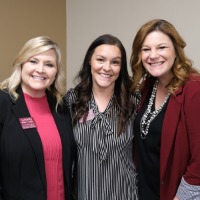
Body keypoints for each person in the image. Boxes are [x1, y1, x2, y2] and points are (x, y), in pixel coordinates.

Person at [130, 19, 200, 200]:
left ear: (176, 50)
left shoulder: (194, 89)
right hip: (145, 191)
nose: (153, 55)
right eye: (146, 49)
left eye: (161, 47)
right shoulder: (148, 86)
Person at [0, 36, 77, 200]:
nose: (41, 69)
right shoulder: (3, 103)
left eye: (49, 64)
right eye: (33, 61)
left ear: (56, 72)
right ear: (21, 64)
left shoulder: (61, 107)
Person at [65, 34, 138, 199]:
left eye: (115, 62)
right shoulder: (71, 101)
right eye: (101, 59)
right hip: (84, 194)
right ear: (90, 60)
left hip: (125, 193)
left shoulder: (133, 102)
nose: (107, 68)